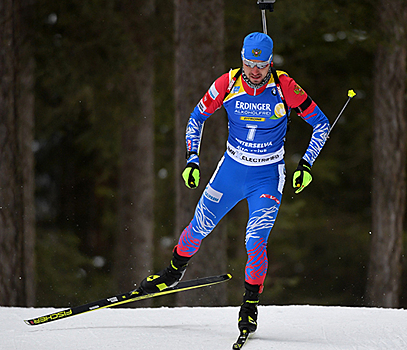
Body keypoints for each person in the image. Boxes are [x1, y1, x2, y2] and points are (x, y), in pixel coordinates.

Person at [138, 32, 331, 333]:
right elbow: (196, 118)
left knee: (255, 242)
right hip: (231, 169)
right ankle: (173, 271)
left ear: (271, 63)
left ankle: (250, 306)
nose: (255, 71)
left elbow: (321, 124)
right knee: (198, 227)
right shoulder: (226, 84)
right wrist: (192, 159)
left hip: (266, 177)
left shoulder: (285, 87)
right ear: (242, 58)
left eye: (261, 65)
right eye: (249, 63)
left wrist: (306, 164)